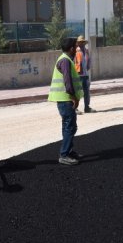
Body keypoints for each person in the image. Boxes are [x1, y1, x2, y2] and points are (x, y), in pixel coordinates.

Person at [48, 37, 84, 165]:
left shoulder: (66, 59)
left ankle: (68, 151)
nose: (77, 48)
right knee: (70, 126)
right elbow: (68, 82)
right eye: (76, 46)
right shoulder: (65, 61)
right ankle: (64, 155)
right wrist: (74, 97)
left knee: (68, 126)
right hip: (66, 99)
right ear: (72, 48)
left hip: (65, 99)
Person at [74, 35, 95, 113]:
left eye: (83, 42)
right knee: (77, 93)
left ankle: (87, 107)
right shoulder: (75, 51)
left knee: (86, 92)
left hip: (85, 74)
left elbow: (88, 60)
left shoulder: (86, 51)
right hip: (78, 75)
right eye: (80, 42)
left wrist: (88, 66)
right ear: (78, 43)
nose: (82, 43)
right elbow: (73, 62)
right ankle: (75, 108)